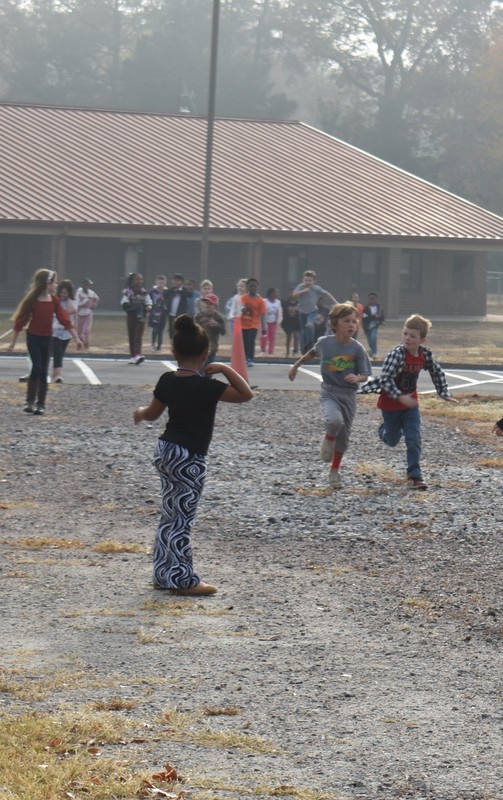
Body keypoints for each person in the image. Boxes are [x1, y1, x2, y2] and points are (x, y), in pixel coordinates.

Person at [133, 314, 253, 596]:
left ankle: (163, 574)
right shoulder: (207, 387)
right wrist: (224, 367)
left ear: (174, 352)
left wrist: (138, 413)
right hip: (189, 457)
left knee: (169, 515)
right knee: (182, 519)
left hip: (165, 451)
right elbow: (246, 394)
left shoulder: (166, 380)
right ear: (205, 353)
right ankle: (183, 579)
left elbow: (151, 415)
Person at [358, 314, 458, 490]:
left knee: (414, 438)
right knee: (392, 440)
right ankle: (383, 430)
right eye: (405, 334)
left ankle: (414, 475)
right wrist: (399, 396)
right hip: (391, 405)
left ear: (422, 339)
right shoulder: (396, 355)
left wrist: (443, 393)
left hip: (411, 405)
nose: (408, 338)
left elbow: (437, 372)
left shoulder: (423, 355)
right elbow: (386, 379)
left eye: (413, 336)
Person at [288, 302, 371, 489]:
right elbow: (312, 353)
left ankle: (334, 471)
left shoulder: (357, 349)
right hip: (330, 392)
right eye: (346, 321)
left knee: (344, 435)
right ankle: (328, 439)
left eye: (354, 321)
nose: (352, 324)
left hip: (348, 394)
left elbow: (366, 374)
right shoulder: (325, 343)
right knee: (334, 421)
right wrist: (296, 365)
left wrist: (356, 377)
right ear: (334, 324)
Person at [6, 268, 83, 414]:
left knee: (43, 370)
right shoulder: (33, 300)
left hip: (47, 339)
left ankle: (41, 404)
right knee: (37, 367)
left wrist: (77, 338)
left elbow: (65, 320)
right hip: (33, 338)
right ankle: (30, 401)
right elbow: (20, 322)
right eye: (54, 282)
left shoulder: (54, 301)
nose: (56, 284)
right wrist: (12, 343)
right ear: (46, 283)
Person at [292, 270, 338, 353]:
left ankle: (310, 344)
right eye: (306, 280)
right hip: (302, 312)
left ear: (314, 281)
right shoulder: (301, 286)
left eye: (310, 281)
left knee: (309, 325)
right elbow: (294, 295)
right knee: (303, 331)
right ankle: (304, 347)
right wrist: (303, 291)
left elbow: (327, 293)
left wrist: (336, 302)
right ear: (303, 280)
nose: (308, 282)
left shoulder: (316, 288)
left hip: (312, 311)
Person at [120, 273, 152, 364]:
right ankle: (133, 356)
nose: (140, 281)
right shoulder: (129, 291)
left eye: (141, 279)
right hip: (131, 316)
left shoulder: (144, 292)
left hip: (141, 317)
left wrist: (149, 306)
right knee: (131, 335)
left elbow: (149, 301)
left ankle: (138, 354)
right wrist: (127, 305)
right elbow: (124, 301)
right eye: (138, 279)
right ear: (132, 281)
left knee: (138, 336)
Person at [51, 279, 77, 383]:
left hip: (67, 332)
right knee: (57, 352)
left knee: (60, 353)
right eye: (61, 292)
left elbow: (72, 310)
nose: (63, 295)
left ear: (69, 293)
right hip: (55, 331)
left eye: (65, 293)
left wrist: (69, 299)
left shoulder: (73, 301)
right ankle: (59, 375)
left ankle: (54, 373)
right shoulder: (56, 301)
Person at [240, 278, 267, 367]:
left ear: (257, 288)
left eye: (254, 286)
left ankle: (250, 358)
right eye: (250, 286)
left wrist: (264, 328)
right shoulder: (243, 298)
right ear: (247, 287)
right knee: (244, 342)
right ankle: (244, 357)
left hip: (254, 324)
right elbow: (239, 309)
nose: (252, 288)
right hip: (243, 324)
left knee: (250, 341)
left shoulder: (260, 300)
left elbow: (263, 314)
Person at [194, 297, 227, 364]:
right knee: (199, 369)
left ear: (215, 306)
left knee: (208, 370)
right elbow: (192, 330)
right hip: (200, 347)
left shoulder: (218, 317)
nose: (207, 305)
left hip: (212, 347)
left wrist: (217, 325)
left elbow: (223, 332)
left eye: (210, 304)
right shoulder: (199, 316)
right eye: (206, 303)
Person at [75, 278, 99, 350]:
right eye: (85, 285)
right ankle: (79, 345)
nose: (87, 287)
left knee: (86, 330)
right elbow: (77, 303)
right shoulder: (79, 292)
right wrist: (84, 303)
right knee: (79, 331)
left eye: (88, 285)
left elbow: (96, 298)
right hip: (80, 313)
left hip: (88, 314)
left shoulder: (91, 293)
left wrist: (93, 305)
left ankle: (86, 345)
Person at [164, 273, 189, 340]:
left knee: (180, 330)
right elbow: (164, 294)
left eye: (178, 280)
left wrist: (178, 292)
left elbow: (188, 294)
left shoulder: (184, 290)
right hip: (171, 314)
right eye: (174, 280)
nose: (176, 282)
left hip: (180, 314)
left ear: (182, 282)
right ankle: (172, 344)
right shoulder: (170, 290)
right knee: (171, 329)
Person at [260, 288, 283, 356]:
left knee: (272, 337)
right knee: (264, 336)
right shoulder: (264, 301)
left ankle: (270, 351)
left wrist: (278, 321)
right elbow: (261, 311)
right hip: (265, 322)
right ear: (270, 293)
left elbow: (279, 312)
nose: (276, 294)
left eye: (277, 293)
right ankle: (263, 350)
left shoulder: (278, 302)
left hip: (273, 322)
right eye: (275, 292)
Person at [362, 292, 385, 358]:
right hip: (367, 327)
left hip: (374, 325)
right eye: (371, 299)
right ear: (368, 300)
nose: (372, 301)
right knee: (370, 340)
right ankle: (372, 351)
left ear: (376, 300)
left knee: (373, 337)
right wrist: (375, 316)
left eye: (373, 299)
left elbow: (381, 315)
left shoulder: (379, 307)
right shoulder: (366, 308)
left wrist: (382, 321)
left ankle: (375, 353)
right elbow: (365, 317)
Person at [148, 275, 168, 352]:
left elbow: (169, 301)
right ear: (156, 283)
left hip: (162, 315)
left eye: (163, 283)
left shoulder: (167, 292)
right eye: (160, 283)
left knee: (160, 331)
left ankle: (159, 347)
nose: (161, 285)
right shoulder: (152, 292)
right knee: (154, 330)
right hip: (154, 314)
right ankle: (152, 345)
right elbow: (148, 300)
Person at [281, 289, 301, 357]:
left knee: (296, 336)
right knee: (289, 336)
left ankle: (295, 351)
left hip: (296, 321)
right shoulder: (286, 303)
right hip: (288, 321)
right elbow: (283, 311)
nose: (293, 294)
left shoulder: (299, 303)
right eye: (291, 293)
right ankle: (287, 351)